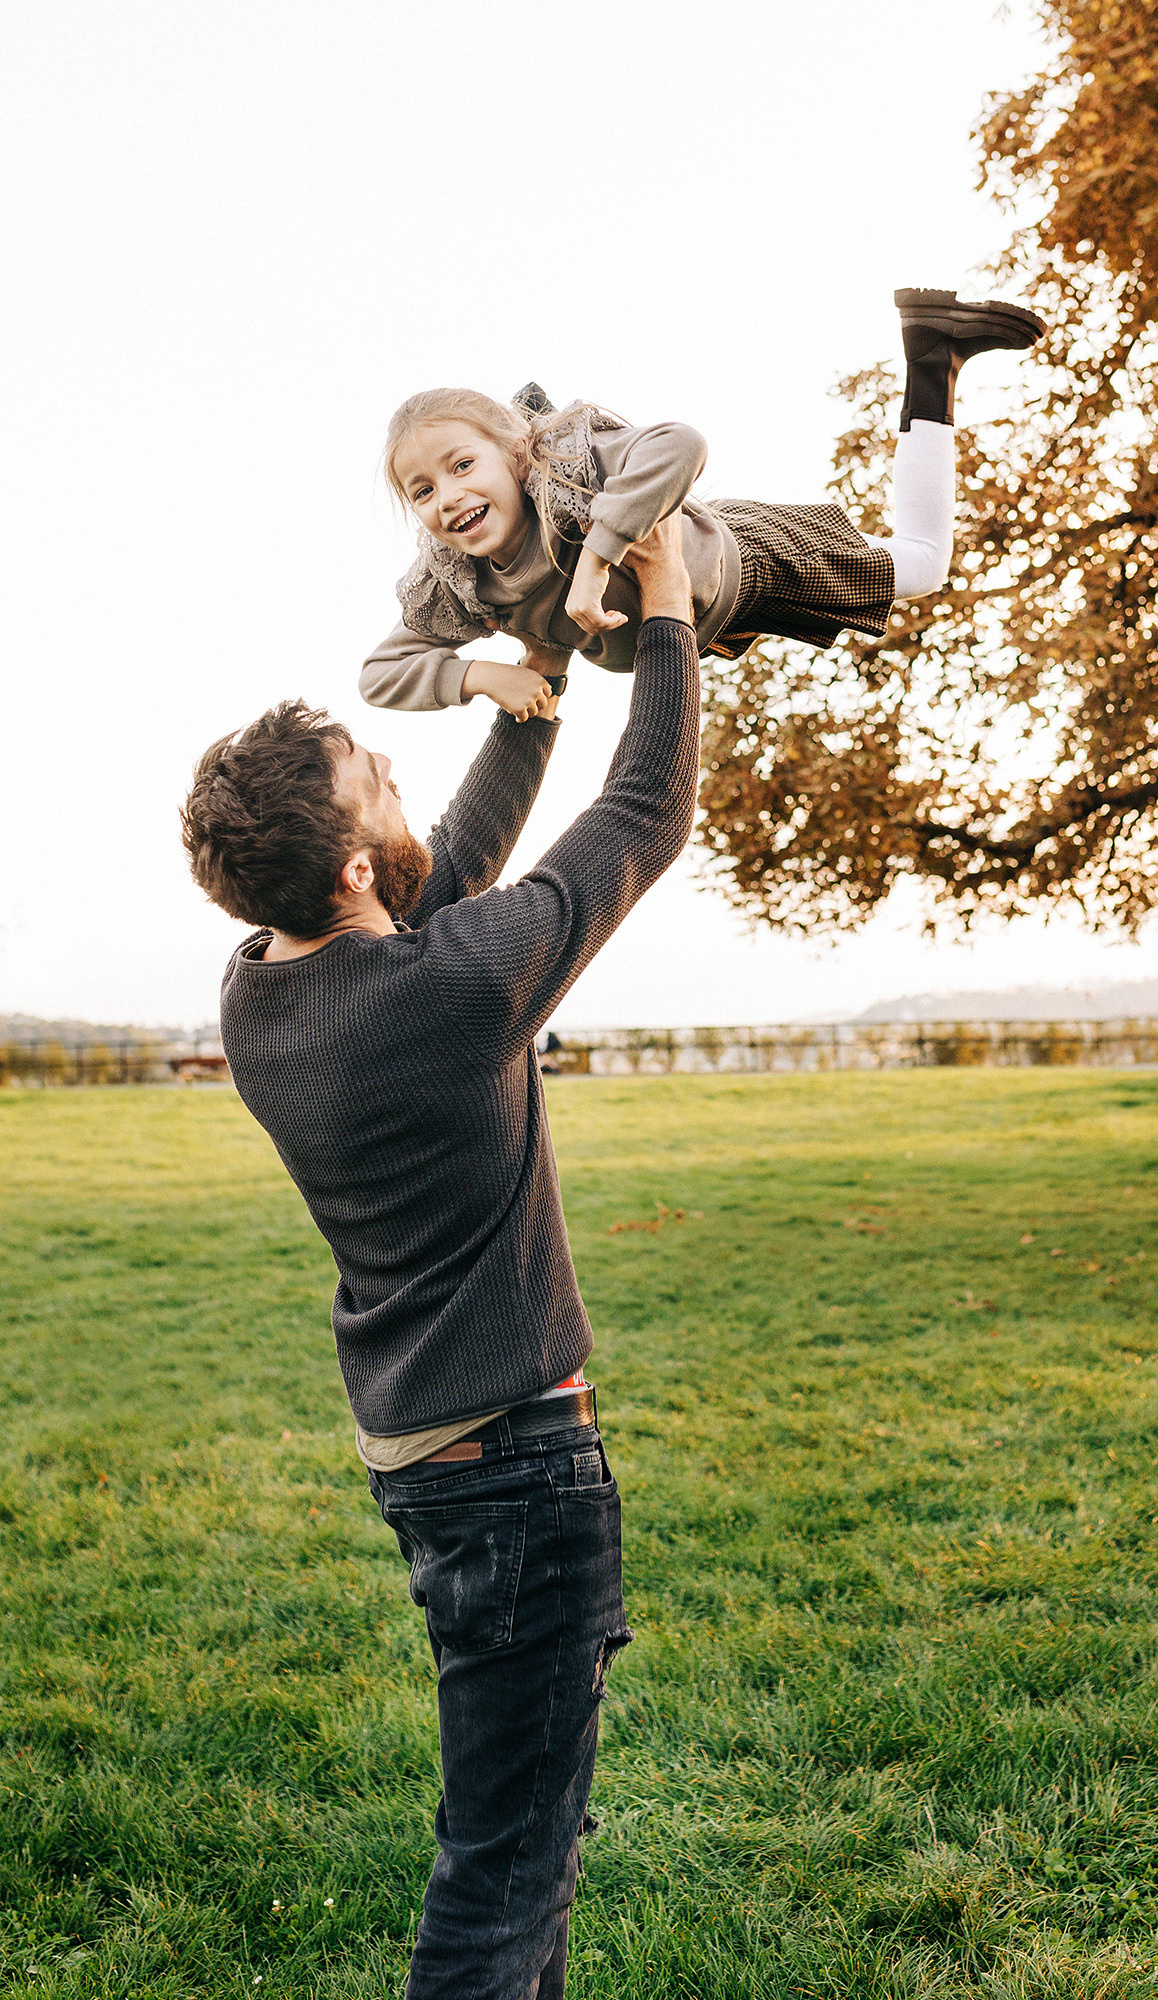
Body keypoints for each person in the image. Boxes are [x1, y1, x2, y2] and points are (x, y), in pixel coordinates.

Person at [180, 517, 700, 2000]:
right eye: (377, 777)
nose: (401, 773)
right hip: (515, 1474)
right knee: (505, 1874)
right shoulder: (442, 991)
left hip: (431, 1460)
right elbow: (646, 818)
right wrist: (661, 617)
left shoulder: (262, 987)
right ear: (352, 863)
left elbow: (445, 862)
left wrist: (533, 679)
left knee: (504, 1836)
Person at [361, 288, 1044, 717]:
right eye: (422, 490)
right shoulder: (454, 584)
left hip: (752, 561)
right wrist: (480, 675)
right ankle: (935, 352)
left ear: (515, 454)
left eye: (462, 465)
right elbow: (379, 676)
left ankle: (933, 354)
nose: (448, 497)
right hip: (706, 627)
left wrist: (597, 558)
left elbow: (678, 444)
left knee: (922, 565)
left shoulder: (570, 471)